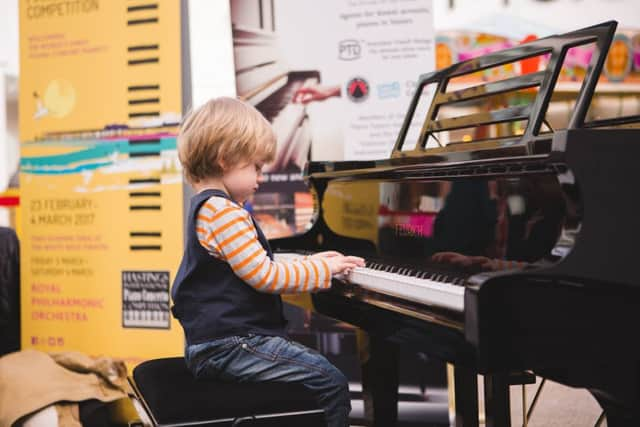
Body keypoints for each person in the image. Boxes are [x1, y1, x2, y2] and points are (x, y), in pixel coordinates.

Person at [171, 97, 365, 427]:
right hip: (231, 347)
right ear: (224, 159)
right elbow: (266, 276)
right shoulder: (225, 213)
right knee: (330, 381)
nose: (260, 178)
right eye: (256, 167)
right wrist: (323, 269)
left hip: (216, 344)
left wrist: (311, 262)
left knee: (306, 367)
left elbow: (252, 264)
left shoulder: (207, 207)